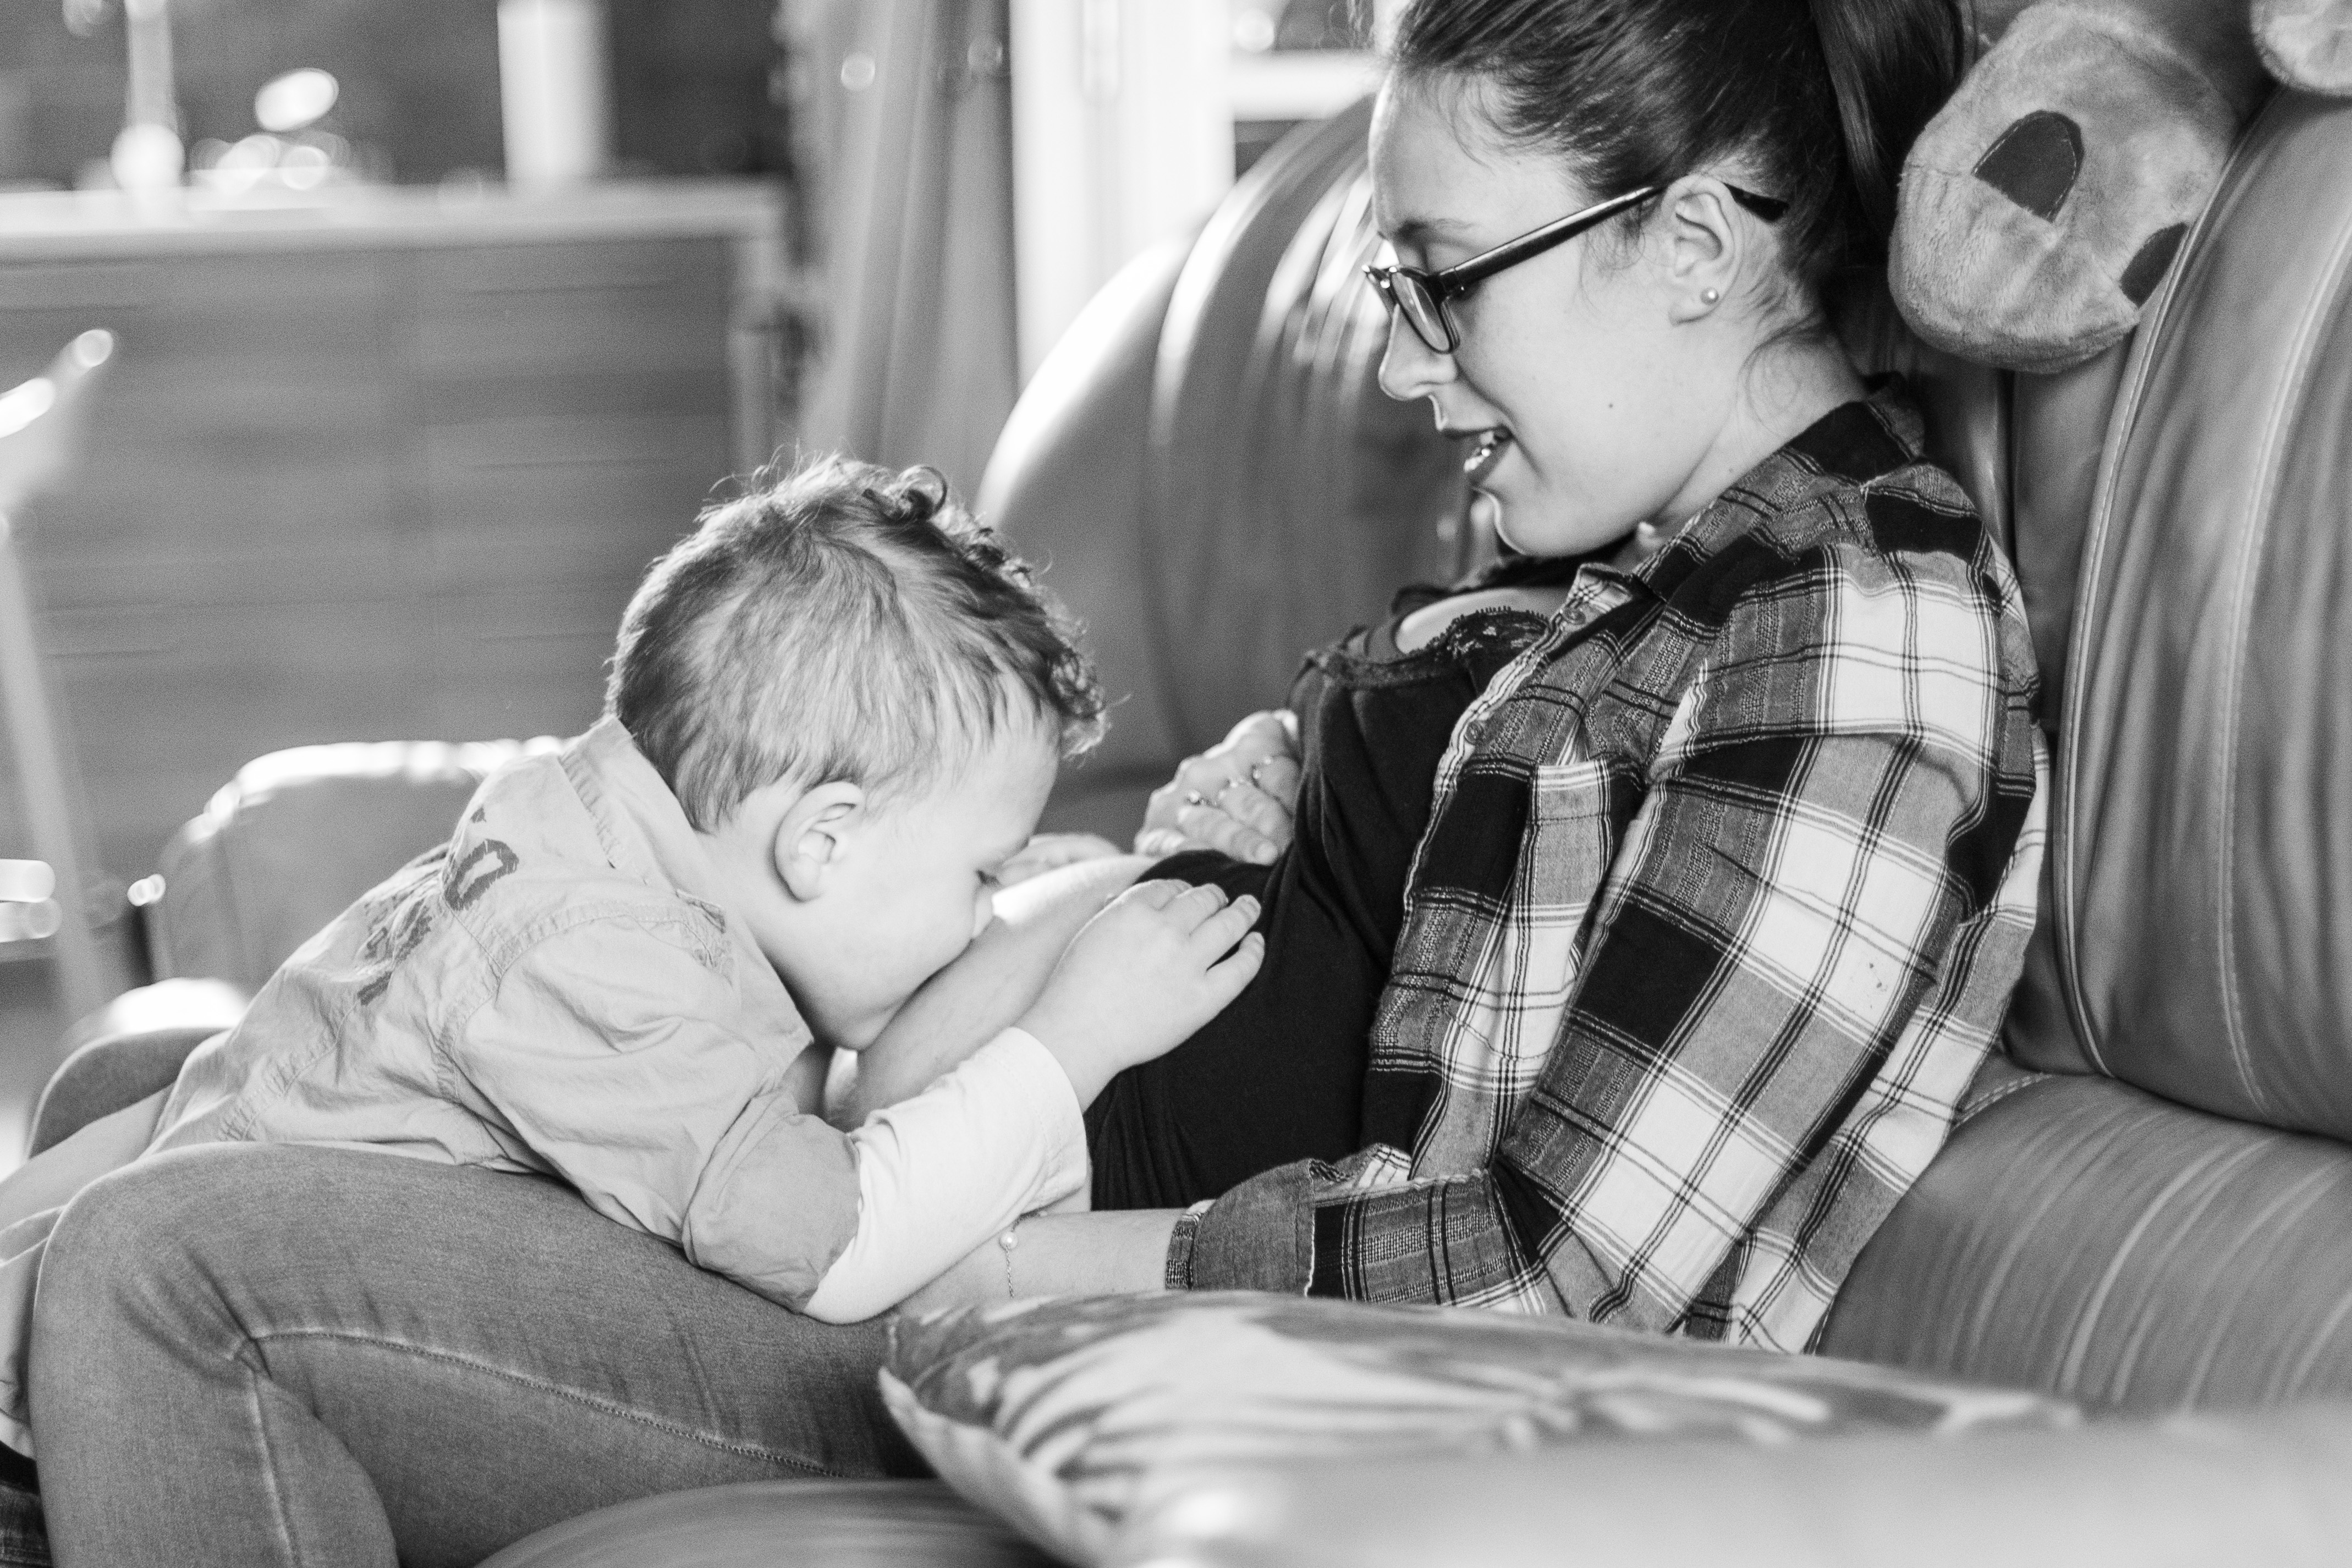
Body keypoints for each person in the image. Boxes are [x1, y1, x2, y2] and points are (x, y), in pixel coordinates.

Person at [27, 0, 2047, 1562]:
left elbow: (1554, 1275)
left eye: (1442, 278)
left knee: (163, 1259)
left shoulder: (1854, 628)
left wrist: (995, 1250)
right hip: (867, 1179)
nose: (1403, 361)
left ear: (1687, 243)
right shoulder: (1595, 566)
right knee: (139, 1089)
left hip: (963, 1300)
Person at [1, 456, 1262, 1444]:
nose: (984, 916)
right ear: (819, 841)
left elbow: (217, 1088)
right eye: (981, 876)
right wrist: (1073, 1037)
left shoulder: (573, 833)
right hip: (186, 1375)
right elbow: (841, 1249)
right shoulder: (608, 967)